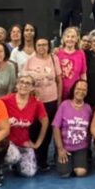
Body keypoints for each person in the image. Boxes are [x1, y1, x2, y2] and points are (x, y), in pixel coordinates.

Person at [20, 38, 62, 172]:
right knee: (33, 129)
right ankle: (31, 157)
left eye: (44, 44)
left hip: (51, 100)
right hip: (34, 102)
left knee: (47, 130)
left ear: (48, 46)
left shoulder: (54, 59)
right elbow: (23, 80)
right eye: (39, 45)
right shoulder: (30, 61)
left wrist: (59, 100)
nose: (42, 47)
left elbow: (59, 81)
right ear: (35, 46)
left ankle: (42, 159)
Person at [0, 74, 48, 177]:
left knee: (29, 173)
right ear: (17, 85)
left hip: (24, 142)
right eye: (21, 82)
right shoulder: (5, 100)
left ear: (32, 88)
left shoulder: (37, 104)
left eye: (28, 83)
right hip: (7, 141)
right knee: (13, 157)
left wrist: (37, 143)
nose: (24, 85)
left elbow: (45, 122)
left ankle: (16, 165)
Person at [54, 79, 93, 178]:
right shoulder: (64, 105)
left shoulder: (88, 108)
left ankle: (79, 161)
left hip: (81, 148)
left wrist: (87, 147)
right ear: (73, 90)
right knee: (65, 174)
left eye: (84, 90)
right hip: (65, 147)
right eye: (78, 89)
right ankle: (65, 161)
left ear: (87, 92)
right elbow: (56, 127)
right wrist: (60, 149)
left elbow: (90, 130)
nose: (81, 91)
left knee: (81, 173)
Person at [55, 27, 87, 101]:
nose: (70, 39)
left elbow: (83, 74)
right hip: (59, 92)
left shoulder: (81, 53)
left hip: (76, 93)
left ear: (77, 39)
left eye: (73, 37)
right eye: (68, 36)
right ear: (63, 38)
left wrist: (83, 88)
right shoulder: (57, 53)